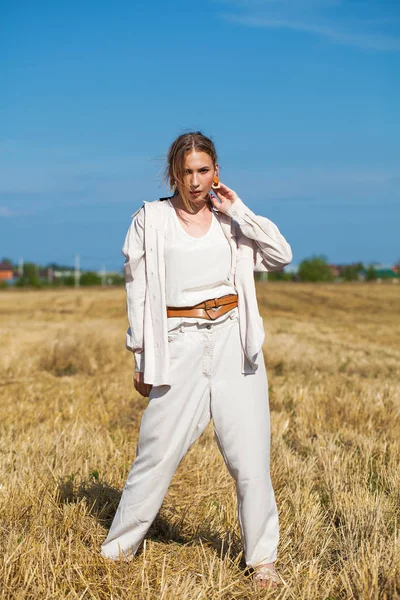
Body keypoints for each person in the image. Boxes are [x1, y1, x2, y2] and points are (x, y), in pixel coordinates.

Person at [101, 131, 292, 589]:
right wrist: (141, 356)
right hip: (179, 345)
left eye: (203, 170)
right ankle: (116, 552)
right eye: (186, 171)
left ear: (216, 172)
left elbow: (281, 256)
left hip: (233, 343)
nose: (194, 180)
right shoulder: (151, 219)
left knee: (250, 459)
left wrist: (238, 209)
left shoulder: (231, 222)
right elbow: (138, 292)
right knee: (155, 454)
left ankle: (262, 561)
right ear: (173, 173)